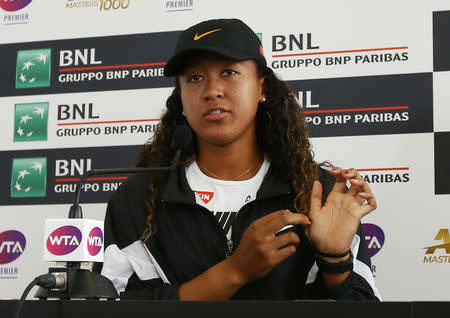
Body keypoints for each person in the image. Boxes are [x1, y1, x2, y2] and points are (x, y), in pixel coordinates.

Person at [100, 18, 381, 301]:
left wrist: (335, 260)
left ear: (262, 88)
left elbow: (366, 307)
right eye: (194, 78)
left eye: (229, 72)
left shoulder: (317, 191)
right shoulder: (138, 197)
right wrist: (234, 272)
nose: (212, 90)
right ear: (181, 99)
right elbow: (113, 304)